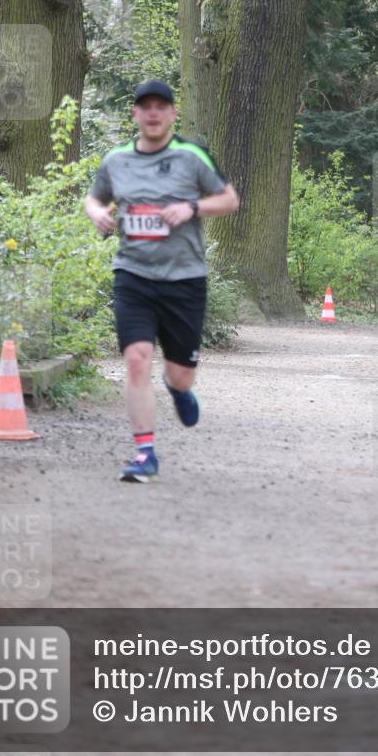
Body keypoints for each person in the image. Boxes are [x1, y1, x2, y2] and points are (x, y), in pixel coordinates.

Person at [84, 80, 239, 482]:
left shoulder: (191, 157)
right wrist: (97, 213)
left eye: (161, 107)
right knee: (136, 360)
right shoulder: (116, 160)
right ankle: (144, 453)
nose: (152, 113)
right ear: (135, 114)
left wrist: (191, 207)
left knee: (179, 373)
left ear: (172, 114)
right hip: (132, 275)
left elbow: (229, 200)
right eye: (145, 107)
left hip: (184, 279)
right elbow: (94, 197)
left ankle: (179, 389)